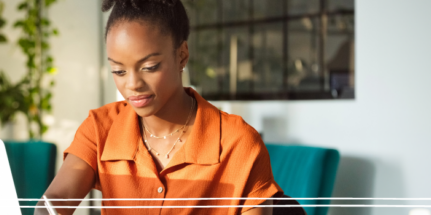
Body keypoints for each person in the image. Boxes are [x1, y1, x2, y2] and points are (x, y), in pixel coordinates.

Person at [37, 0, 283, 214]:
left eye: (150, 67)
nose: (132, 84)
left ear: (182, 55)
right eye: (118, 71)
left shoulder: (238, 143)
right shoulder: (100, 128)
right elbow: (55, 201)